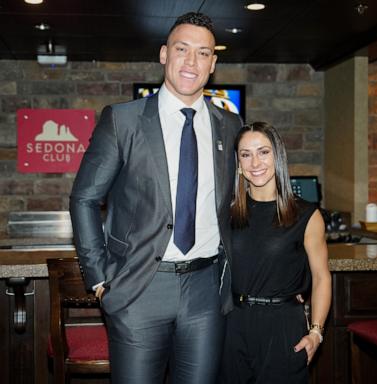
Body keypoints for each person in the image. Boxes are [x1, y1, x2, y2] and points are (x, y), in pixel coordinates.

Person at [69, 12, 242, 384]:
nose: (191, 62)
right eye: (182, 49)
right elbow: (84, 198)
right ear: (164, 54)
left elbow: (236, 201)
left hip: (205, 291)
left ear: (213, 63)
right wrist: (100, 279)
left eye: (202, 53)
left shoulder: (230, 126)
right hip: (138, 289)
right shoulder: (122, 120)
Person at [218, 122, 331, 384]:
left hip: (282, 327)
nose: (255, 162)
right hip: (232, 325)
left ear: (278, 156)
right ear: (238, 163)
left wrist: (316, 332)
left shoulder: (306, 215)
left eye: (263, 152)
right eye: (246, 154)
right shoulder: (226, 212)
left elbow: (321, 277)